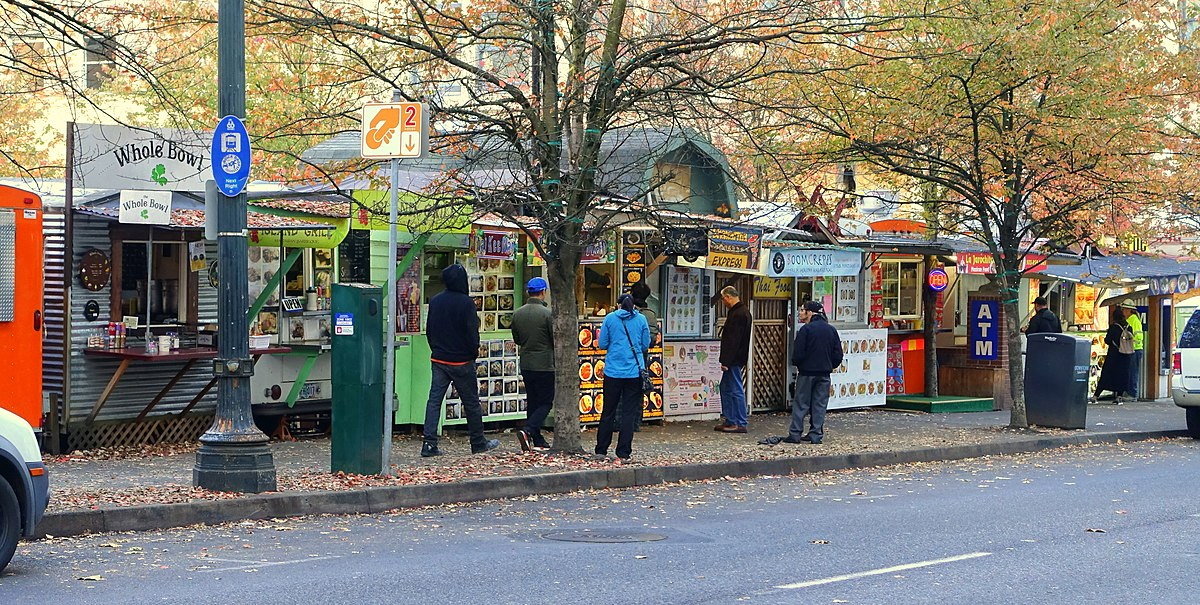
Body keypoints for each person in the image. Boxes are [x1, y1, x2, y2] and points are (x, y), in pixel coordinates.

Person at [420, 263, 500, 457]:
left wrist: (436, 349)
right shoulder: (466, 303)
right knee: (471, 402)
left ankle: (429, 444)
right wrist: (473, 352)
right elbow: (471, 333)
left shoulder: (436, 301)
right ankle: (478, 442)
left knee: (434, 401)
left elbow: (430, 330)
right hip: (462, 361)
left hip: (439, 359)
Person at [595, 294, 650, 462]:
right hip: (634, 372)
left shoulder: (610, 319)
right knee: (629, 413)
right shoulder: (641, 320)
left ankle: (601, 450)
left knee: (608, 411)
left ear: (618, 305)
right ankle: (624, 452)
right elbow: (645, 344)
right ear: (633, 306)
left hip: (612, 372)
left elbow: (602, 343)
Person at [783, 300, 843, 444]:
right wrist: (830, 365)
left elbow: (798, 353)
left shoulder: (806, 330)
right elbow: (838, 355)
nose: (801, 313)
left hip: (807, 373)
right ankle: (816, 434)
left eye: (803, 310)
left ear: (810, 313)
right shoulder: (831, 330)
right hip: (824, 373)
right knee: (820, 404)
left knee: (801, 404)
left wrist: (799, 364)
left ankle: (795, 433)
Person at [511, 276, 554, 452]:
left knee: (533, 400)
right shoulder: (548, 314)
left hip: (527, 362)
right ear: (543, 292)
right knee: (545, 402)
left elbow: (517, 339)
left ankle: (536, 437)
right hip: (544, 363)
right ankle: (529, 430)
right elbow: (554, 339)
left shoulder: (517, 313)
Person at [715, 286, 752, 433]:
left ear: (729, 297)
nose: (723, 302)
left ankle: (738, 421)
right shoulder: (743, 312)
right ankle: (732, 419)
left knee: (735, 389)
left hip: (733, 359)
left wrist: (726, 361)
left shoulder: (738, 314)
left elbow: (732, 340)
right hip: (737, 357)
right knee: (726, 387)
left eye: (724, 298)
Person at [1093, 309, 1132, 403]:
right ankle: (1119, 396)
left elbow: (1107, 340)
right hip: (1125, 355)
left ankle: (1096, 396)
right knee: (1122, 375)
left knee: (1106, 375)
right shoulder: (1129, 327)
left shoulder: (1114, 327)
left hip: (1114, 355)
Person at [1120, 301, 1144, 400]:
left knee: (1132, 372)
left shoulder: (1133, 320)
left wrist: (1130, 341)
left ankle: (1133, 394)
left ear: (1130, 310)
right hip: (1131, 350)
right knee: (1130, 372)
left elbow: (1139, 336)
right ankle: (1129, 392)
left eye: (1125, 309)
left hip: (1135, 350)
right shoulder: (1131, 319)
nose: (1123, 311)